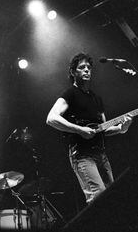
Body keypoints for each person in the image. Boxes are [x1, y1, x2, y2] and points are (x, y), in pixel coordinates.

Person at [46, 53, 132, 204]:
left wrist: (121, 128)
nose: (87, 70)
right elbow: (51, 118)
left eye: (89, 67)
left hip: (101, 154)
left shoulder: (96, 98)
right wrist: (79, 129)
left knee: (112, 197)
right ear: (73, 72)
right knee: (99, 198)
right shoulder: (70, 94)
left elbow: (103, 130)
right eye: (82, 67)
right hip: (82, 155)